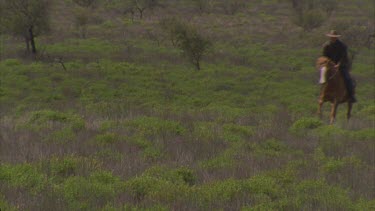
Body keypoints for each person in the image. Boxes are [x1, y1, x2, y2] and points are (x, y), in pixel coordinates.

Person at [323, 30, 357, 103]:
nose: (332, 38)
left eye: (334, 37)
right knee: (323, 74)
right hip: (330, 65)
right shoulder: (326, 45)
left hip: (342, 65)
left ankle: (351, 96)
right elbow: (324, 56)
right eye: (331, 37)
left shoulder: (342, 46)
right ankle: (323, 94)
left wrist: (339, 64)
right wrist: (328, 63)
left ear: (337, 37)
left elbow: (343, 57)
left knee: (347, 78)